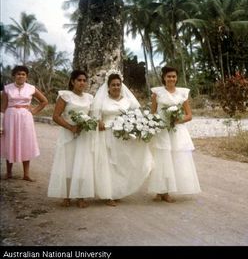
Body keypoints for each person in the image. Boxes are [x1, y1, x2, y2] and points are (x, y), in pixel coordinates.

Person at [91, 70, 153, 206]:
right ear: (108, 86)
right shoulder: (102, 100)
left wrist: (138, 127)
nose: (116, 87)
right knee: (109, 164)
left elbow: (137, 114)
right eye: (113, 85)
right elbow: (95, 114)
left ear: (121, 85)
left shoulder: (128, 100)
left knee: (121, 164)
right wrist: (98, 121)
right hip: (107, 133)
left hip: (123, 135)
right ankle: (109, 195)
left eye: (118, 84)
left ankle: (117, 191)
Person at [148, 66, 201, 202]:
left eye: (173, 76)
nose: (171, 79)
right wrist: (154, 125)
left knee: (174, 160)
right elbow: (153, 113)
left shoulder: (182, 94)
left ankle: (168, 192)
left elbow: (189, 115)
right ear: (164, 78)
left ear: (176, 78)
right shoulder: (157, 93)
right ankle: (160, 191)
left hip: (177, 131)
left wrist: (178, 120)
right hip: (162, 130)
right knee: (162, 159)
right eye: (168, 76)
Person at [47, 70, 94, 208]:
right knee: (68, 163)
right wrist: (70, 127)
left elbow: (91, 116)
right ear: (72, 81)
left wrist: (87, 123)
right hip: (68, 134)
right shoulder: (65, 95)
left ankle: (80, 195)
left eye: (84, 80)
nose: (82, 83)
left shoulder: (90, 98)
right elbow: (56, 116)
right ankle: (66, 195)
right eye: (79, 80)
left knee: (82, 164)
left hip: (83, 135)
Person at [0, 65, 48, 181]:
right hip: (10, 117)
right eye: (18, 74)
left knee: (25, 142)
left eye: (23, 74)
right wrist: (0, 125)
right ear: (14, 76)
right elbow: (2, 108)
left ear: (26, 76)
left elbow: (44, 101)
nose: (20, 76)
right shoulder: (7, 89)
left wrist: (34, 111)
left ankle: (26, 174)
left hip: (25, 117)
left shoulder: (31, 88)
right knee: (9, 142)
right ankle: (9, 172)